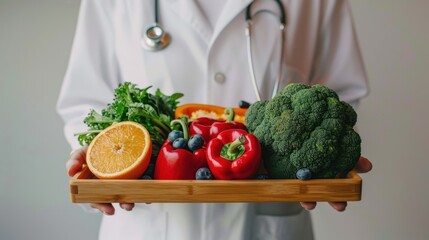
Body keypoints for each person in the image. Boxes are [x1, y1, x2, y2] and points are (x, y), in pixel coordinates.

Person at [57, 0, 373, 239]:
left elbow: (341, 93)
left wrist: (327, 156)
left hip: (267, 223)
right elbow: (86, 98)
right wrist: (97, 160)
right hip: (146, 222)